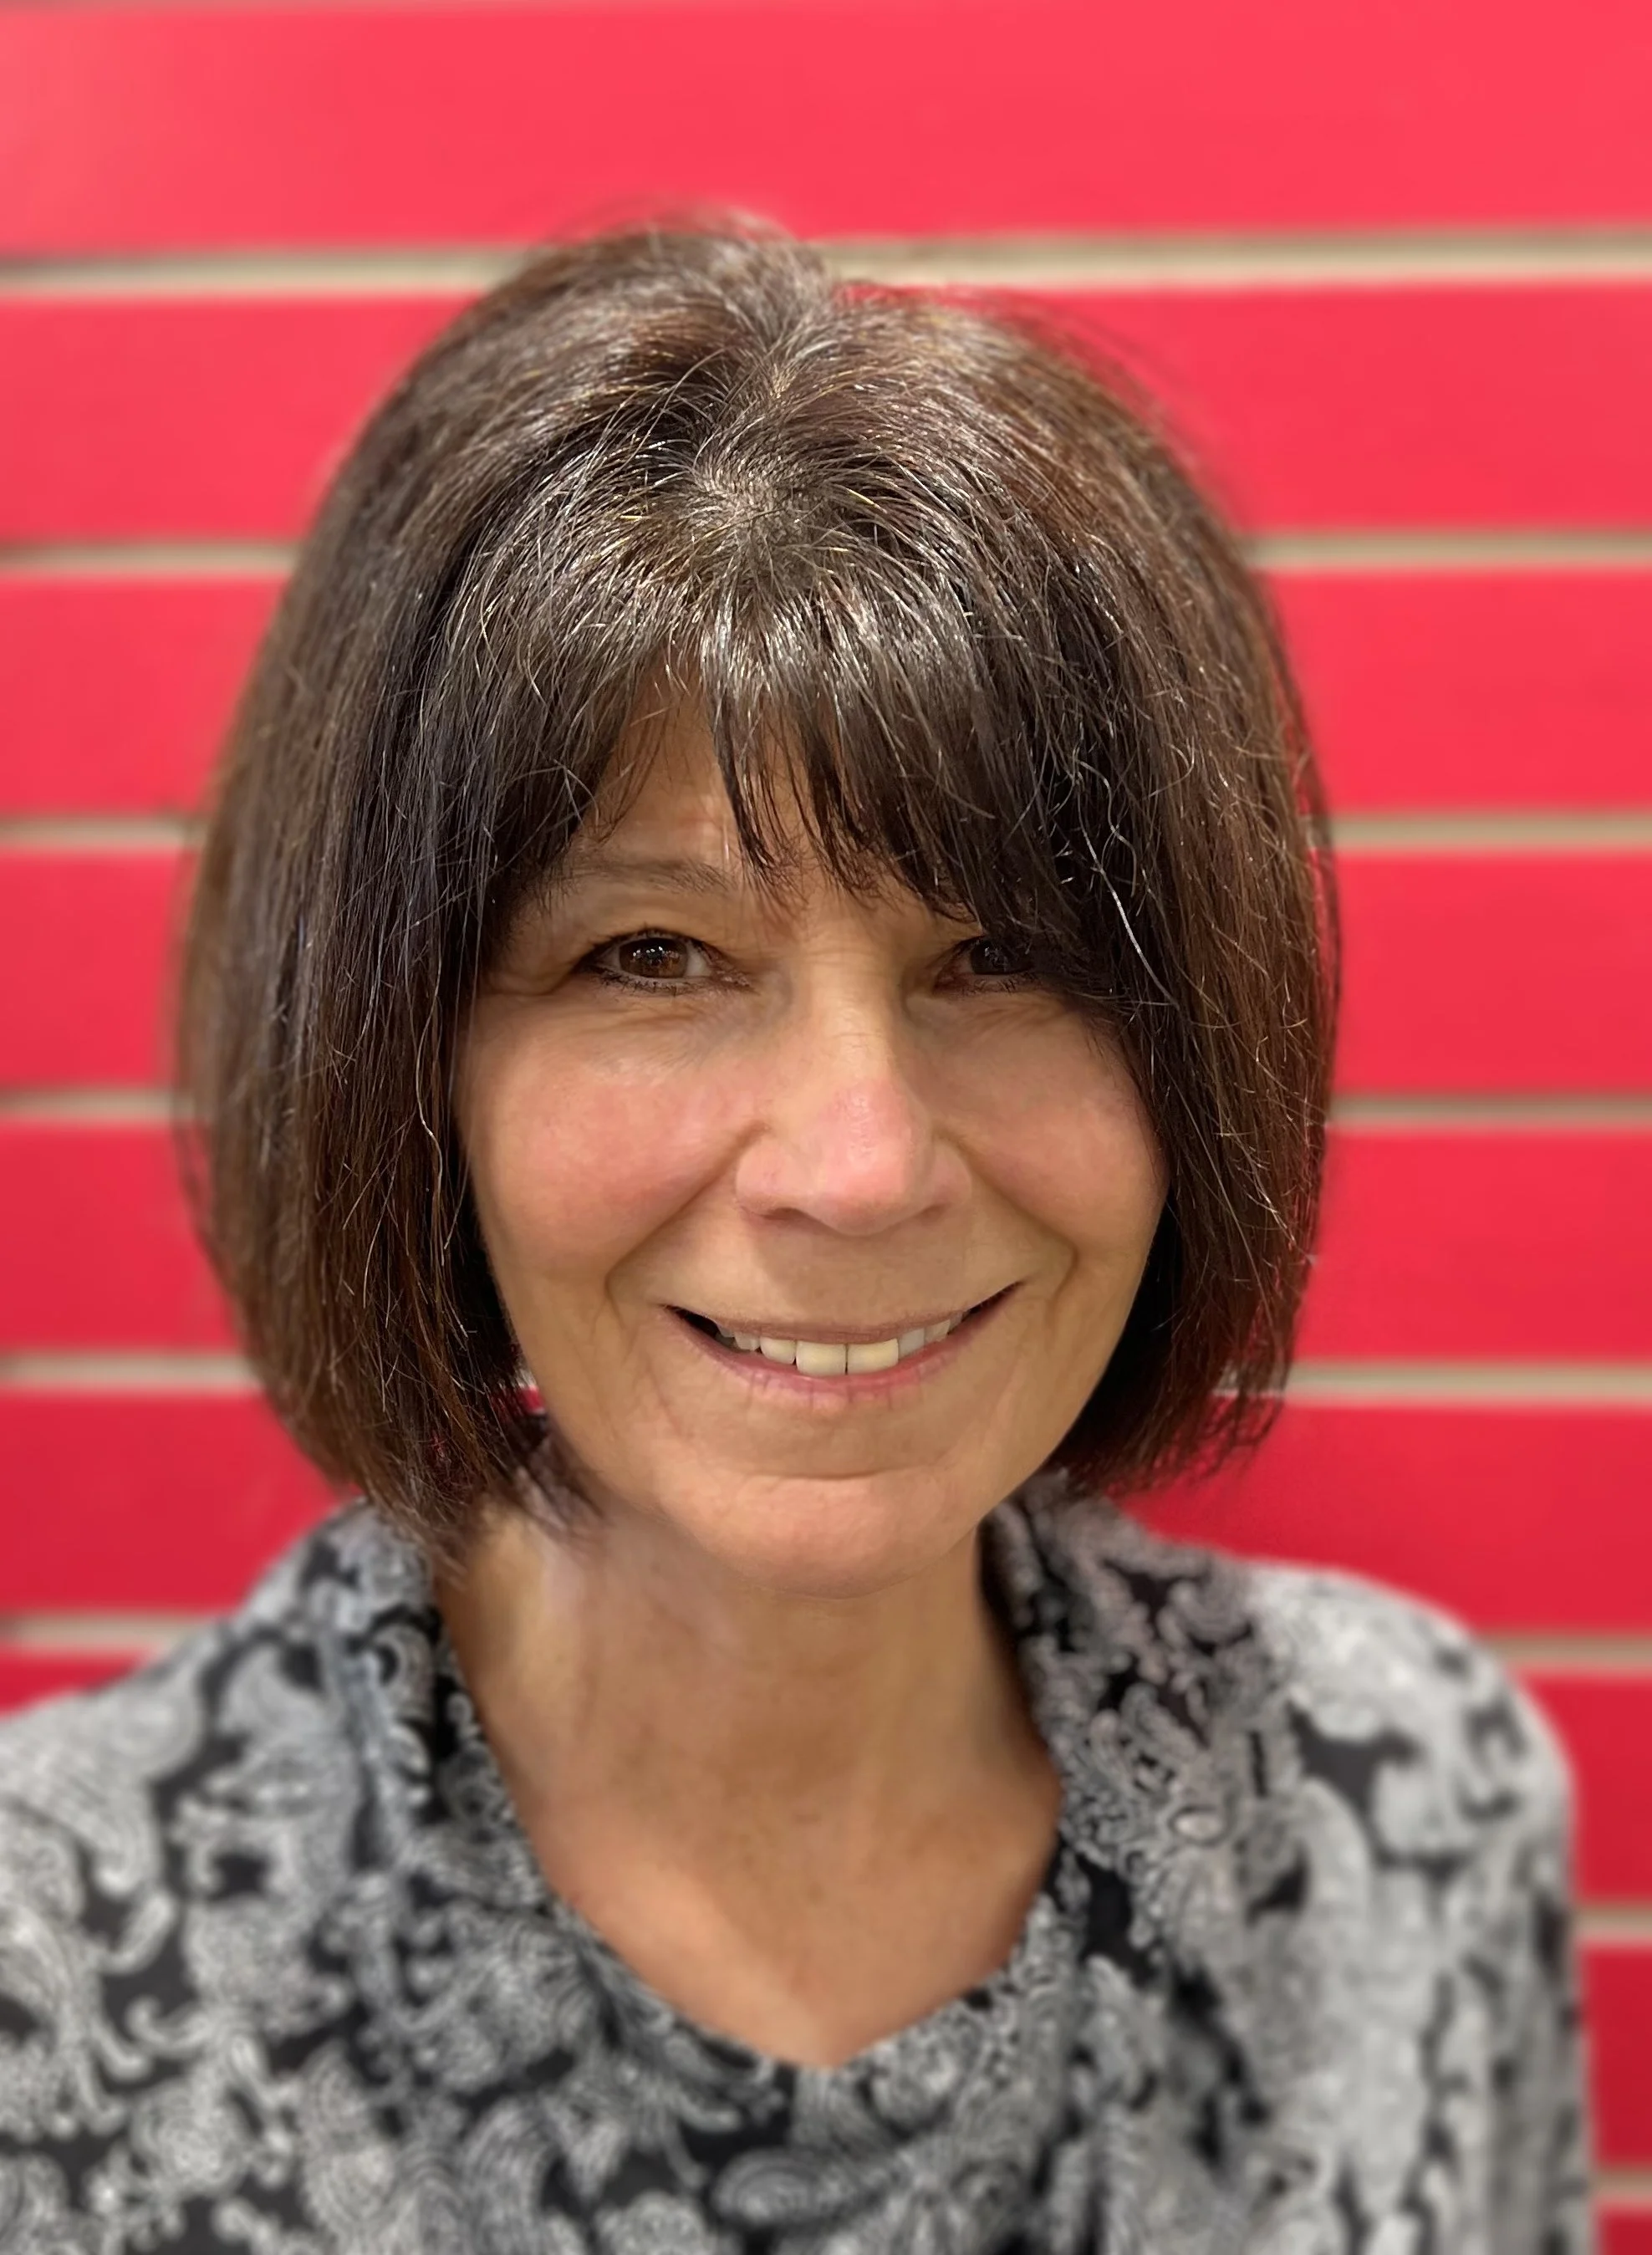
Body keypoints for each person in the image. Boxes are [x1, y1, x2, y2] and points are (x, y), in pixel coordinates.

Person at [0, 224, 1589, 2253]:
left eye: (1004, 955)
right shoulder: (55, 1968)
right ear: (400, 1063)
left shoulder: (1405, 1812)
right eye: (651, 955)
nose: (858, 1164)